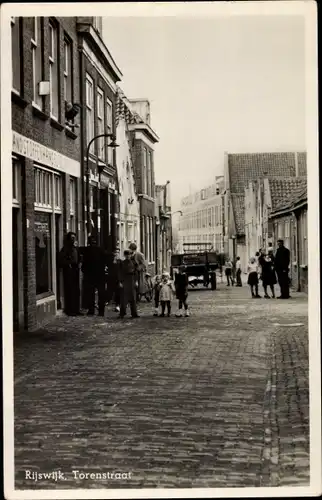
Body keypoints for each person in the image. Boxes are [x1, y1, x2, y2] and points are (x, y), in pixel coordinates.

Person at [81, 235, 107, 316]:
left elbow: (84, 264)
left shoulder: (86, 251)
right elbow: (105, 262)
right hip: (100, 275)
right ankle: (101, 311)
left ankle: (91, 310)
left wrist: (84, 270)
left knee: (90, 293)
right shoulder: (101, 250)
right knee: (101, 293)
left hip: (90, 275)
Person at [58, 232, 80, 316]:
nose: (73, 239)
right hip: (69, 272)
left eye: (74, 238)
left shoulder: (75, 248)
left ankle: (76, 309)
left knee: (76, 291)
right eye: (71, 238)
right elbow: (61, 261)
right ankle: (70, 310)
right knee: (70, 291)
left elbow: (78, 257)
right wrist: (69, 264)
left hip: (75, 271)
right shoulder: (65, 249)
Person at [117, 250, 139, 319]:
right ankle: (122, 314)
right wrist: (120, 282)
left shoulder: (134, 262)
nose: (128, 256)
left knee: (133, 298)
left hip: (132, 280)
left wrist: (136, 281)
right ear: (124, 255)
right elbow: (120, 273)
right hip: (125, 280)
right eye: (126, 255)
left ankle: (134, 313)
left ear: (131, 255)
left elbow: (136, 272)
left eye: (129, 255)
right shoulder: (122, 263)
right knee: (124, 298)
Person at [106, 248, 121, 313]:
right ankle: (107, 301)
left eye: (118, 252)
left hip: (118, 279)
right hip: (111, 278)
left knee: (118, 292)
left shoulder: (120, 261)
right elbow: (107, 268)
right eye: (115, 252)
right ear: (113, 253)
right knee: (109, 291)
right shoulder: (110, 261)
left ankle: (117, 306)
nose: (116, 254)